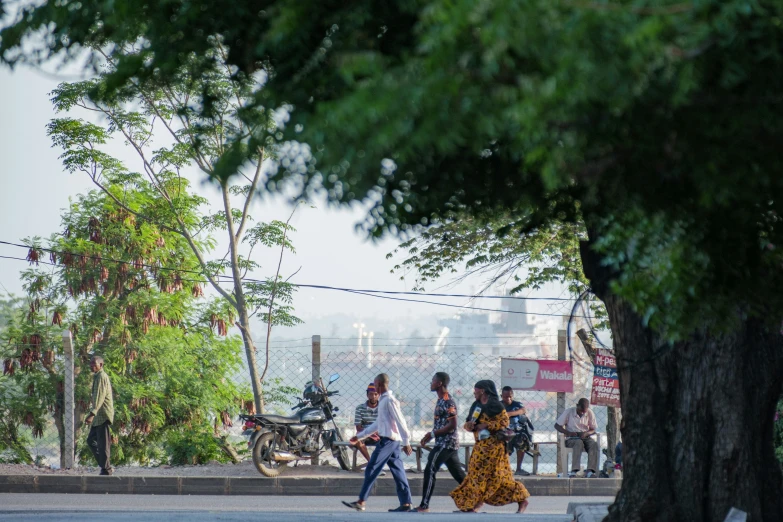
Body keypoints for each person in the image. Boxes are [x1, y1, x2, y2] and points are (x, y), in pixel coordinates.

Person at [450, 380, 530, 514]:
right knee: (475, 476)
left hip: (495, 449)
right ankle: (472, 506)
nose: (474, 393)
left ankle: (522, 500)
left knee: (498, 478)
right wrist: (469, 426)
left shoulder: (496, 405)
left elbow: (504, 422)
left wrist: (487, 425)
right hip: (480, 448)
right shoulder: (476, 405)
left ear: (482, 391)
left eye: (476, 390)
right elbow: (468, 422)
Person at [342, 373, 414, 513]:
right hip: (391, 441)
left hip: (388, 441)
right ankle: (406, 503)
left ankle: (361, 501)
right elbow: (378, 424)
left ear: (380, 384)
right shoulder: (384, 401)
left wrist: (406, 441)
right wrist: (360, 436)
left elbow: (401, 421)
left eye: (375, 385)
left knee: (372, 468)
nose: (374, 388)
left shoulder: (389, 401)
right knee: (399, 472)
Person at [415, 372, 466, 512]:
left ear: (439, 383)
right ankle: (474, 501)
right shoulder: (439, 400)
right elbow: (441, 424)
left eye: (433, 380)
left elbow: (453, 424)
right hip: (443, 442)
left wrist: (433, 433)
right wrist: (430, 436)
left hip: (447, 443)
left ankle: (424, 505)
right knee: (460, 476)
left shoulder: (448, 401)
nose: (431, 383)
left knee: (430, 469)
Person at [554, 397, 599, 478]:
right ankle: (574, 470)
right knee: (578, 443)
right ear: (577, 406)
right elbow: (557, 425)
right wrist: (568, 433)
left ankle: (590, 471)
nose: (581, 413)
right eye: (580, 411)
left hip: (585, 436)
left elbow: (593, 429)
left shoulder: (589, 413)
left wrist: (586, 433)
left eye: (583, 412)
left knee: (593, 444)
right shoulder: (569, 412)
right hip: (572, 437)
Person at [85, 355, 114, 476]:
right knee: (91, 440)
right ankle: (105, 466)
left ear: (101, 365)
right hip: (98, 416)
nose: (92, 365)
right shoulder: (97, 377)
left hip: (102, 415)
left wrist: (92, 413)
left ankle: (106, 469)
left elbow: (99, 397)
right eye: (90, 363)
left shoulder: (101, 376)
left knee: (103, 444)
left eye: (94, 363)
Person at [501, 386, 534, 476]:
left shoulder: (517, 404)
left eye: (510, 396)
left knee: (521, 441)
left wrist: (509, 414)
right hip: (504, 431)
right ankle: (505, 468)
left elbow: (523, 410)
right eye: (505, 397)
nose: (508, 398)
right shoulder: (499, 405)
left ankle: (518, 468)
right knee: (503, 444)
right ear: (501, 396)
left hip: (517, 431)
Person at [354, 383, 382, 468]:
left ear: (379, 395)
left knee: (387, 443)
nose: (373, 397)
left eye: (375, 394)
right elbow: (358, 427)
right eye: (370, 394)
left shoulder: (383, 408)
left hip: (380, 434)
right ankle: (371, 463)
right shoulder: (360, 408)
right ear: (367, 395)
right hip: (365, 434)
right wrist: (370, 432)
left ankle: (376, 465)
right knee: (358, 440)